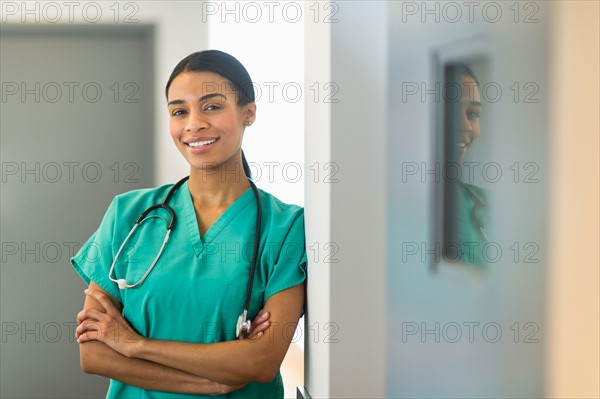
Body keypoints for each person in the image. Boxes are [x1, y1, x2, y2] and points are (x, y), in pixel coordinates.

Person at [71, 50, 307, 398]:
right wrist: (212, 382)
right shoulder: (128, 213)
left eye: (212, 106)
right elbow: (94, 353)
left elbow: (260, 362)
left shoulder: (286, 226)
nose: (194, 124)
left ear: (249, 112)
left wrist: (134, 345)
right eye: (179, 111)